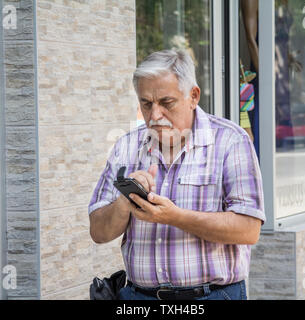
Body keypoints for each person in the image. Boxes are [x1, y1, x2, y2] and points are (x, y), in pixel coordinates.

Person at [88, 50, 265, 300]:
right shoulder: (126, 146)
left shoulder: (231, 141)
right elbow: (98, 232)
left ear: (193, 96)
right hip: (139, 298)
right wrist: (124, 202)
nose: (155, 115)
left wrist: (175, 217)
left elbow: (248, 230)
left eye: (166, 102)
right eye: (146, 104)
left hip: (212, 296)